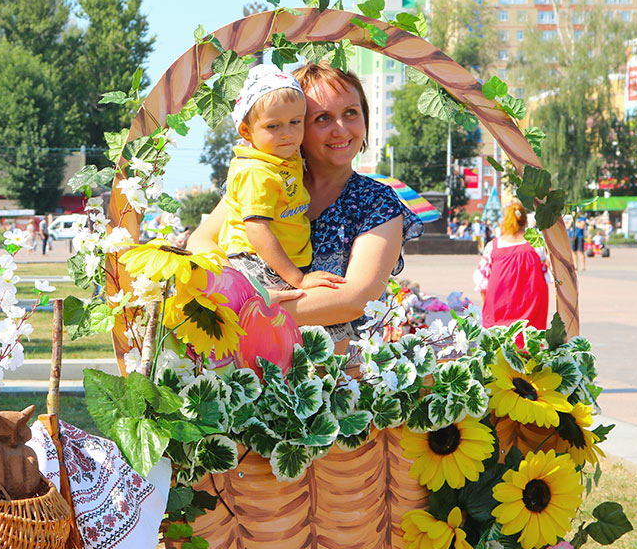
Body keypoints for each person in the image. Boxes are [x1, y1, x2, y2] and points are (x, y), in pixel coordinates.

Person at [189, 61, 422, 350]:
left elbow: (355, 299)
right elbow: (200, 240)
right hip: (251, 370)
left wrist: (247, 310)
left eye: (351, 113)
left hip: (333, 382)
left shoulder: (376, 201)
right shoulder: (264, 176)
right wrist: (239, 292)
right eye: (322, 118)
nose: (340, 129)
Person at [215, 63, 344, 296]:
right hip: (257, 262)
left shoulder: (281, 157)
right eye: (273, 126)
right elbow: (257, 230)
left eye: (296, 122)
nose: (287, 133)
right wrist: (299, 278)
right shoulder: (256, 171)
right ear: (246, 131)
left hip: (282, 261)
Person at [474, 200, 553, 343]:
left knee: (499, 350)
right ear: (525, 222)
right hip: (531, 308)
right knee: (528, 348)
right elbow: (547, 275)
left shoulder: (493, 246)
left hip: (499, 308)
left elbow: (483, 283)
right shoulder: (536, 244)